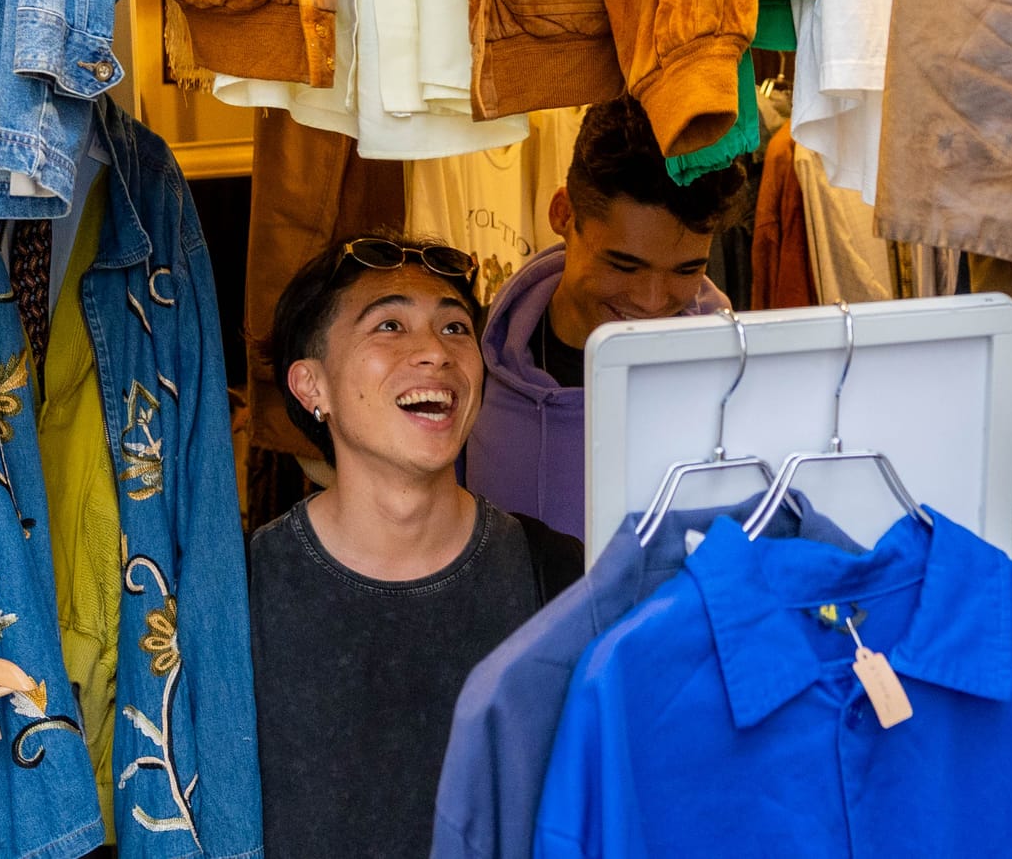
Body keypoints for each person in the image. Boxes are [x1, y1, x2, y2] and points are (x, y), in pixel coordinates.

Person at [249, 232, 582, 859]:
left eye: (456, 328)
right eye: (389, 325)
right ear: (310, 386)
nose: (434, 351)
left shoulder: (559, 577)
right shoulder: (240, 592)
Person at [468, 95, 749, 538]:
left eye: (688, 269)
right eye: (623, 265)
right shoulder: (473, 360)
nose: (653, 301)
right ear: (563, 214)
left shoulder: (735, 375)